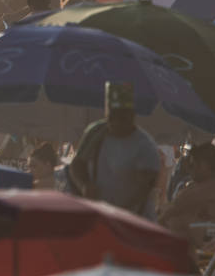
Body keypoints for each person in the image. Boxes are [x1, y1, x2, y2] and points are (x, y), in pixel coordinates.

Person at [69, 82, 162, 218]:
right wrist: (84, 185)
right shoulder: (95, 132)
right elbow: (77, 164)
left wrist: (120, 213)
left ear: (132, 116)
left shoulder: (145, 146)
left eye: (122, 117)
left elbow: (144, 189)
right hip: (101, 216)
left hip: (134, 218)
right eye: (112, 117)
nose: (116, 122)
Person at [160, 143, 215, 242]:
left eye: (192, 165)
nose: (189, 170)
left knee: (176, 220)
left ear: (204, 166)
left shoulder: (206, 188)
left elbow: (173, 209)